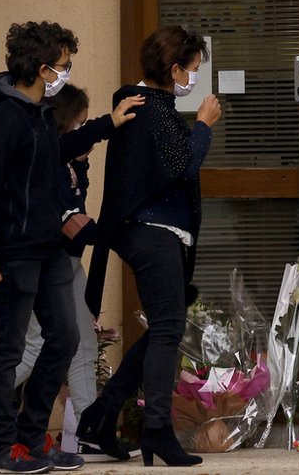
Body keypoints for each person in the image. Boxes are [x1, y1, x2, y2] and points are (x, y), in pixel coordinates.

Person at [0, 84, 143, 465]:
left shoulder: (68, 158)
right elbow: (63, 216)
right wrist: (117, 237)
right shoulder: (25, 136)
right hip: (31, 257)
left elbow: (74, 200)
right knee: (27, 347)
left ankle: (84, 428)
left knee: (77, 341)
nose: (86, 134)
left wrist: (104, 128)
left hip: (62, 261)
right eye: (80, 125)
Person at [0, 20, 119, 474]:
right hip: (15, 252)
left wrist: (107, 124)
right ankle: (1, 449)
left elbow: (59, 150)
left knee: (67, 337)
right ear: (39, 67)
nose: (66, 72)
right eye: (63, 65)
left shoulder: (41, 116)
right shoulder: (3, 122)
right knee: (9, 349)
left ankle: (34, 439)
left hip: (51, 249)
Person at [79, 25, 222, 467]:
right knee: (166, 328)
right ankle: (156, 430)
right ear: (174, 68)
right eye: (194, 70)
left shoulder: (150, 104)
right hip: (150, 231)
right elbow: (182, 164)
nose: (195, 79)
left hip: (156, 231)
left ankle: (102, 417)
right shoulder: (149, 108)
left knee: (166, 325)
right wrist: (202, 125)